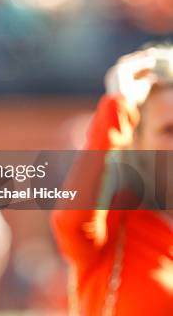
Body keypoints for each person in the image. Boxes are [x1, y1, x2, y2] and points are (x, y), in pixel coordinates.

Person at [51, 42, 173, 315]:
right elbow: (72, 223)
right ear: (137, 140)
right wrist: (117, 104)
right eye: (168, 130)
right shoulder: (115, 226)